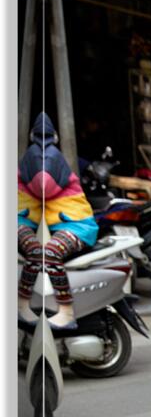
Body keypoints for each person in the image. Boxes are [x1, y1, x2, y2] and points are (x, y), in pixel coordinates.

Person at [18, 112, 99, 329]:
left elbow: (43, 187)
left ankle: (65, 311)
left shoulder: (48, 157)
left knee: (48, 252)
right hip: (26, 220)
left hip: (77, 225)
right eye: (39, 135)